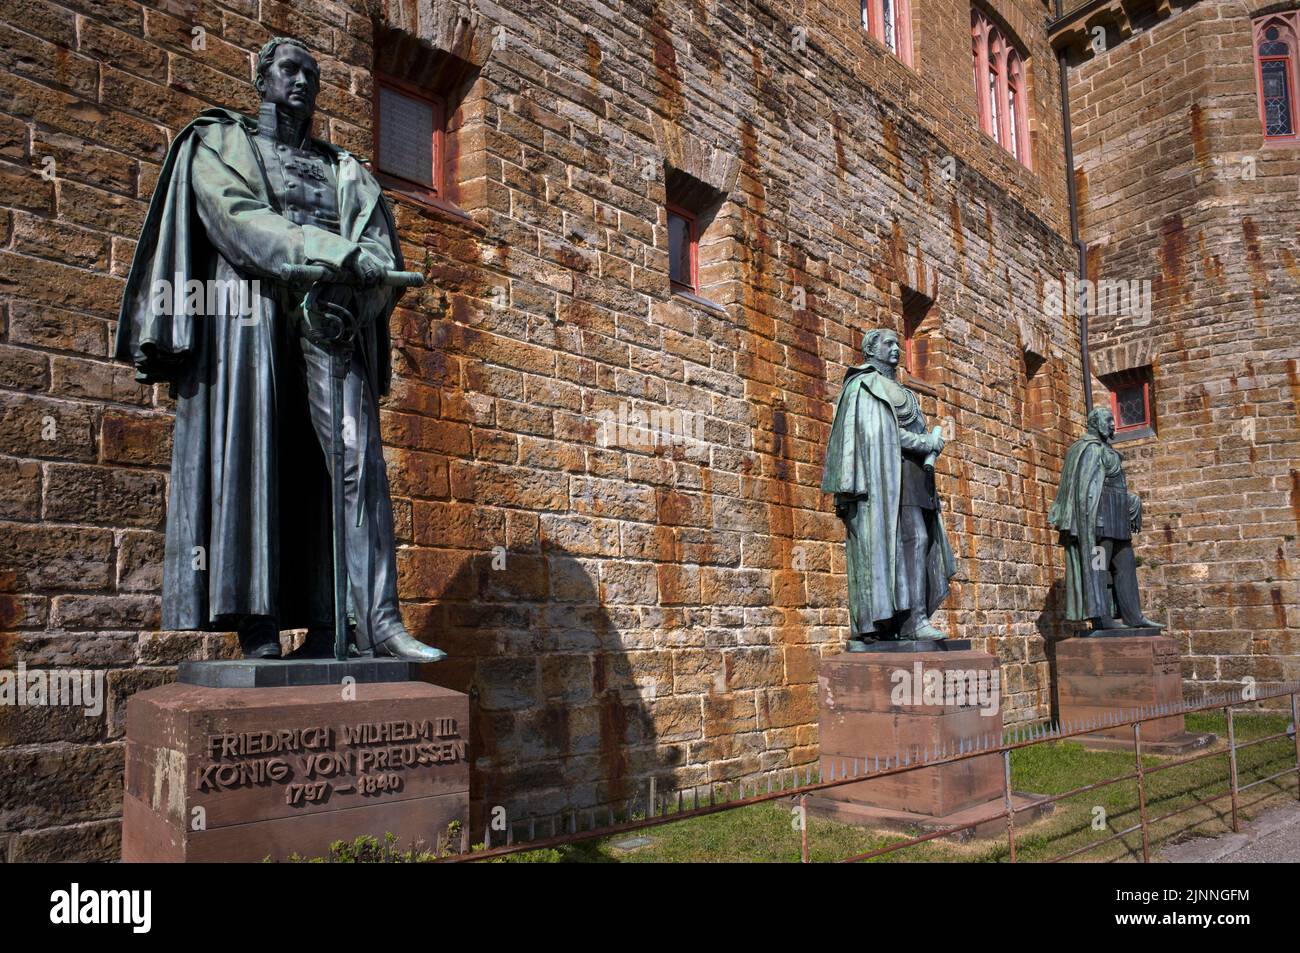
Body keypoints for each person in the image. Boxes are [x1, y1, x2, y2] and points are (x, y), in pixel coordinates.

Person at [115, 37, 444, 662]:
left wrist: (363, 289)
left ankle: (366, 621)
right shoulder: (219, 143)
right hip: (250, 324)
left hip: (330, 324)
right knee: (255, 457)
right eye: (289, 70)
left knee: (356, 460)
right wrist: (330, 253)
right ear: (261, 77)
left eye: (312, 74)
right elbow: (238, 222)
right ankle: (257, 623)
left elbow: (379, 255)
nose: (302, 83)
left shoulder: (346, 171)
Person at [821, 328, 957, 648]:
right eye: (889, 344)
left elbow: (907, 430)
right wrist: (925, 442)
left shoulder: (905, 393)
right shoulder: (864, 386)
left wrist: (929, 447)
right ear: (871, 349)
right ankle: (910, 621)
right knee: (905, 543)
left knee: (918, 543)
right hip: (881, 481)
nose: (897, 348)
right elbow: (878, 435)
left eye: (899, 343)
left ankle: (914, 620)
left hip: (911, 479)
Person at [1050, 407, 1164, 631]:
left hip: (1117, 522)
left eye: (1114, 420)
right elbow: (1084, 490)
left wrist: (1130, 500)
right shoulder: (1090, 449)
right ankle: (1101, 617)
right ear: (1095, 423)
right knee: (1099, 567)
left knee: (1126, 566)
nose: (1113, 424)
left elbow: (1109, 484)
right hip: (1099, 524)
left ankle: (1133, 616)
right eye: (1109, 420)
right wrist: (1087, 525)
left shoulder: (1106, 449)